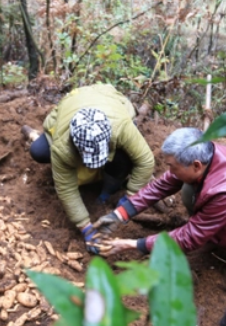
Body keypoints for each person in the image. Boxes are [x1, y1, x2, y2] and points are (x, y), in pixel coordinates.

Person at [93, 127, 226, 256]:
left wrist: (133, 244)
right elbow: (161, 185)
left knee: (211, 231)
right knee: (188, 190)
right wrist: (119, 215)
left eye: (172, 166)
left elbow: (190, 237)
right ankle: (214, 226)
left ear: (197, 165)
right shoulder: (206, 152)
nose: (169, 171)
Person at [28, 84, 155, 250]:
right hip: (74, 102)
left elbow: (145, 161)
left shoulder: (120, 127)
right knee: (39, 151)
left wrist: (129, 199)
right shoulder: (63, 145)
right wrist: (85, 227)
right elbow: (66, 189)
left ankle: (107, 190)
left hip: (109, 101)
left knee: (124, 158)